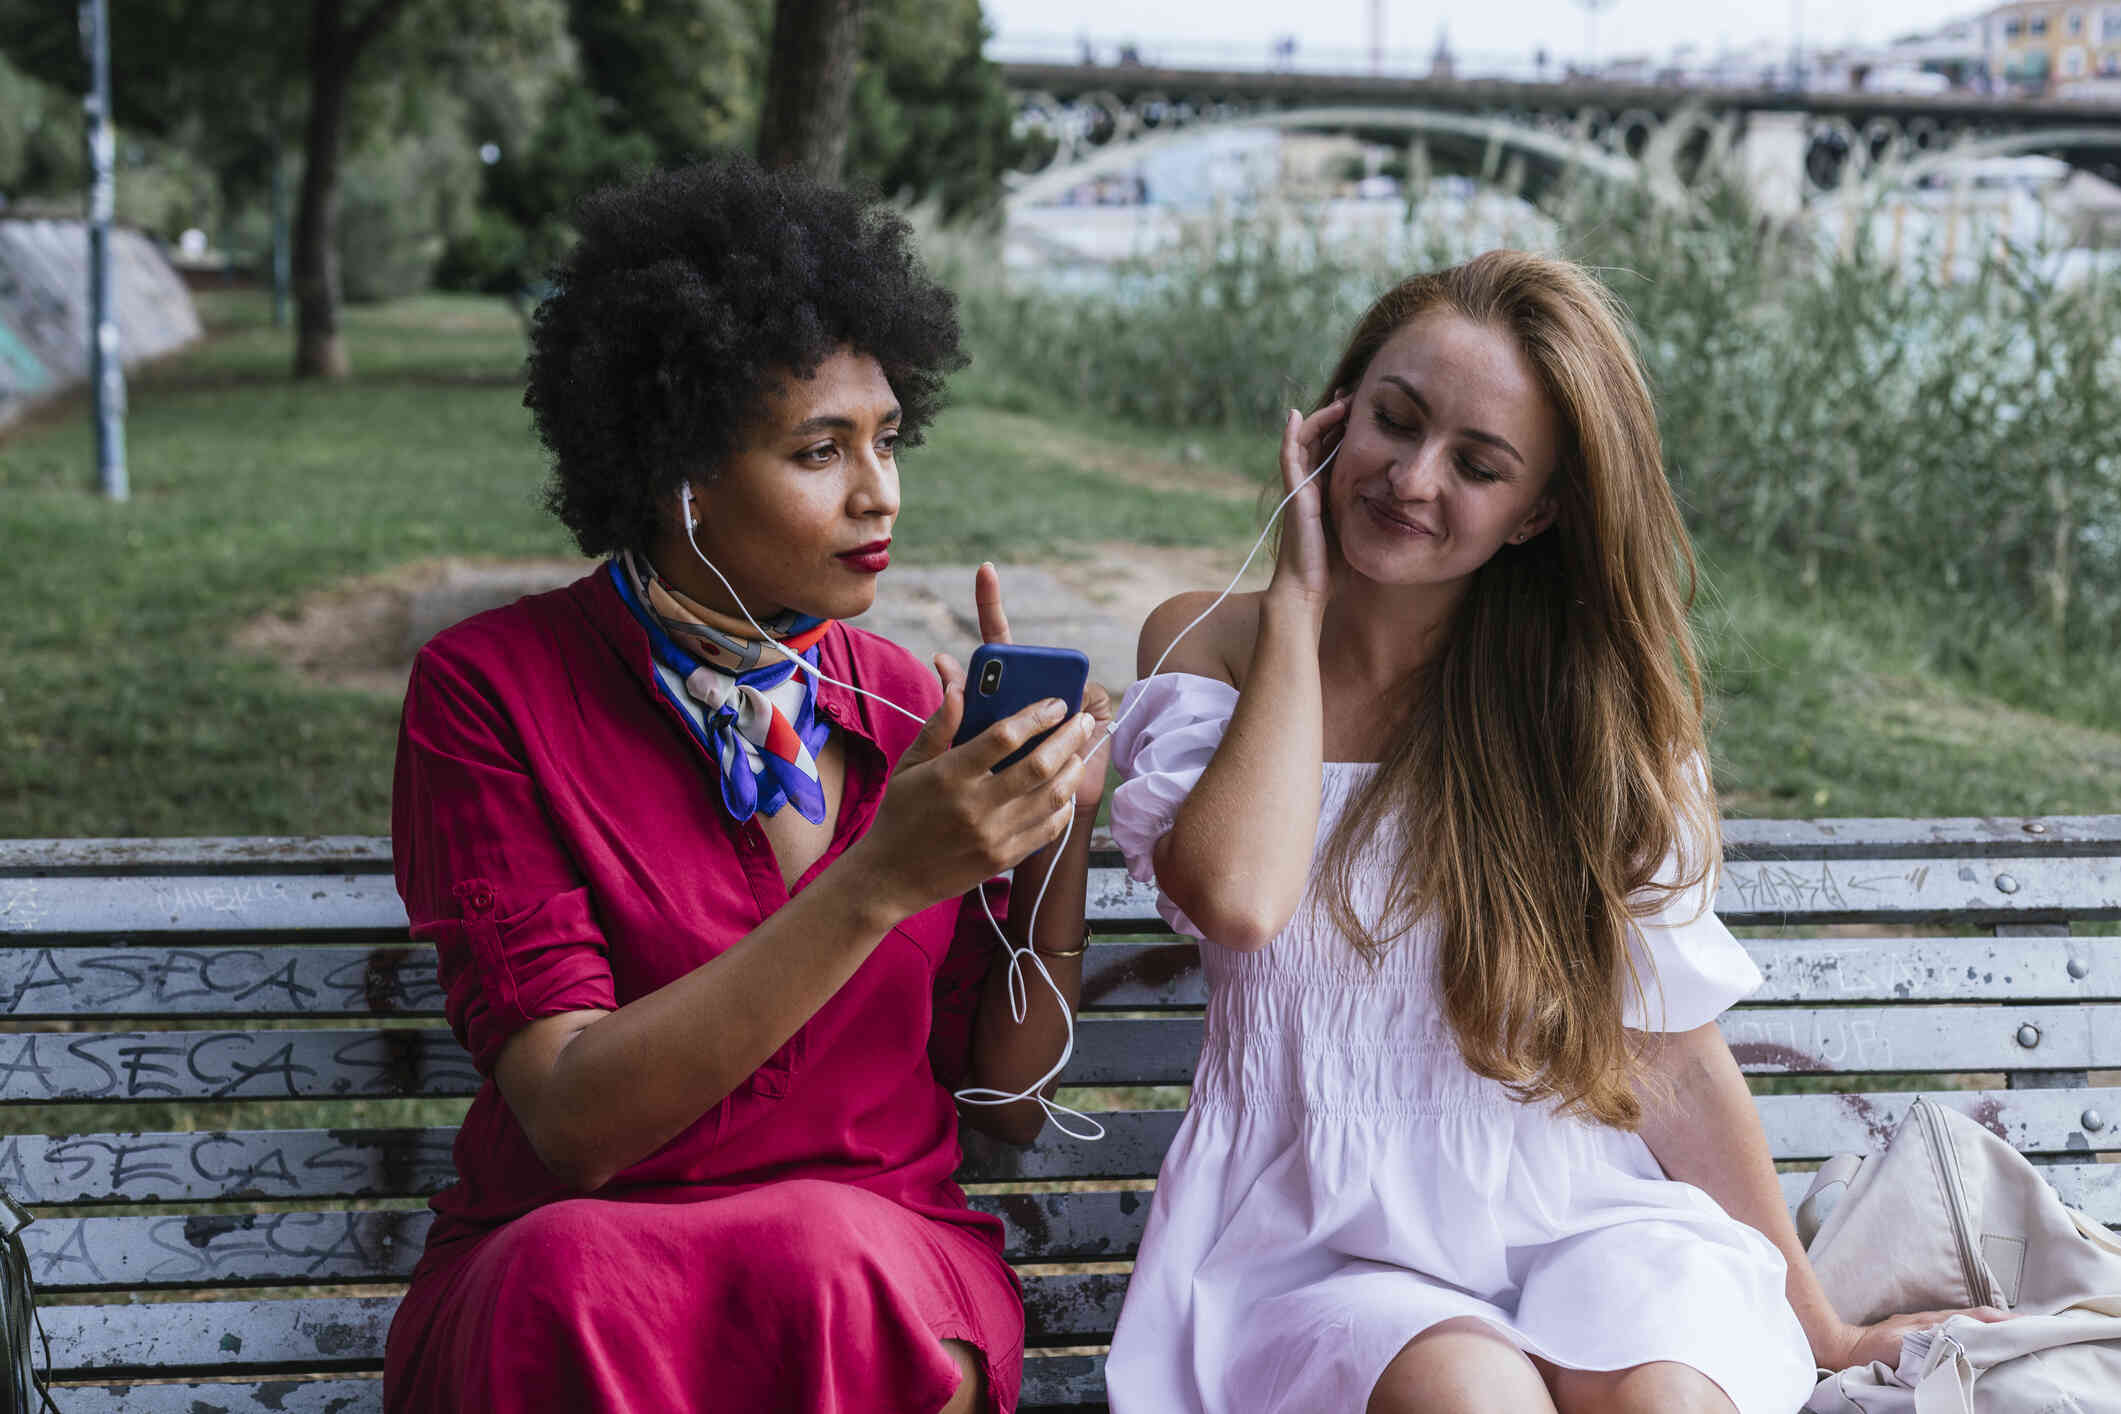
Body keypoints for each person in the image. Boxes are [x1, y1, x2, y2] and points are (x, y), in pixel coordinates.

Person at [1100, 250, 2000, 1414]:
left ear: (1538, 514)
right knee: (1474, 1398)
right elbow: (1235, 893)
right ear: (1333, 413)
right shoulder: (1212, 646)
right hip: (1318, 1234)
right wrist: (1297, 602)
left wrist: (1819, 1324)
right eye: (1393, 419)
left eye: (1478, 465)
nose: (1410, 478)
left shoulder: (1587, 706)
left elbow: (1670, 1054)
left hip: (1582, 1210)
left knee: (1669, 1400)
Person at [382, 158, 1109, 1414]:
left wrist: (1051, 841)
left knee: (836, 1259)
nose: (879, 491)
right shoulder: (490, 693)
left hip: (877, 1261)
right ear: (684, 474)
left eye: (887, 439)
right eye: (819, 450)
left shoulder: (904, 707)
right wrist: (881, 878)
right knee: (566, 1272)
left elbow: (1009, 1101)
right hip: (583, 1262)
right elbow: (570, 1116)